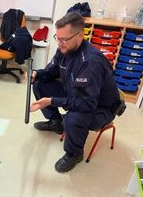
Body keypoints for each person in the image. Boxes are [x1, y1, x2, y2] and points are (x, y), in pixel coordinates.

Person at [30, 12, 120, 173]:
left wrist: (52, 101)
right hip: (76, 93)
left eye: (64, 39)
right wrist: (38, 73)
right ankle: (56, 123)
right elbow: (51, 71)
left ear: (80, 35)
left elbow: (86, 104)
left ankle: (74, 153)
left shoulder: (90, 62)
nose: (60, 43)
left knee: (74, 117)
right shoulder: (64, 49)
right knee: (39, 84)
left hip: (99, 107)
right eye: (58, 38)